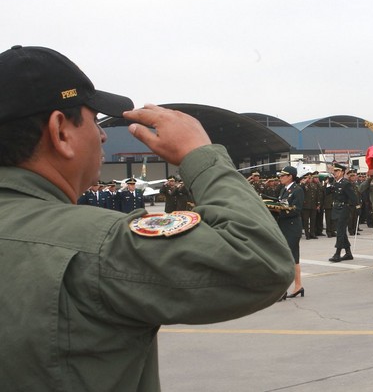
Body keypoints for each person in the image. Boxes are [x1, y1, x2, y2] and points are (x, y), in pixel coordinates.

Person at [0, 45, 294, 391]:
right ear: (61, 131)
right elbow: (262, 263)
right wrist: (202, 154)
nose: (103, 135)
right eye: (94, 121)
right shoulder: (99, 243)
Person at [276, 166, 305, 298]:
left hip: (292, 227)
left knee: (291, 257)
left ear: (290, 176)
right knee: (292, 258)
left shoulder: (297, 190)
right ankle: (298, 286)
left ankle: (285, 290)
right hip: (283, 225)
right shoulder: (283, 190)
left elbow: (296, 209)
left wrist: (281, 210)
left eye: (283, 175)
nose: (280, 178)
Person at [327, 163, 359, 262]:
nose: (334, 173)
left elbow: (354, 198)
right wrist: (329, 183)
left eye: (336, 171)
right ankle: (348, 253)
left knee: (340, 232)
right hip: (336, 209)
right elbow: (327, 192)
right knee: (341, 232)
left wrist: (357, 208)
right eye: (334, 171)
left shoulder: (346, 183)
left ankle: (337, 253)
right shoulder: (335, 183)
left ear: (342, 172)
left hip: (344, 209)